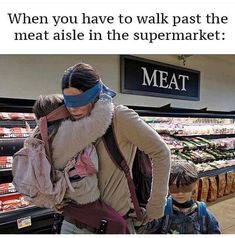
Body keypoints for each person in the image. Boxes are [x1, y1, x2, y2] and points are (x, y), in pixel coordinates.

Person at [57, 62, 171, 234]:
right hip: (71, 222)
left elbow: (161, 152)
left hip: (109, 225)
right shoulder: (68, 120)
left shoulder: (119, 118)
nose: (73, 108)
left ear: (95, 94)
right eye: (68, 102)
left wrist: (155, 205)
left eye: (80, 101)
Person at [139, 160, 221, 234]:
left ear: (194, 186)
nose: (180, 193)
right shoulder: (162, 209)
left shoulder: (203, 213)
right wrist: (141, 215)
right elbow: (149, 225)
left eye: (185, 187)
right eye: (174, 188)